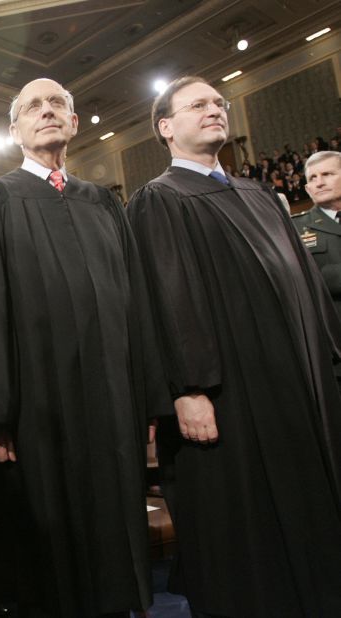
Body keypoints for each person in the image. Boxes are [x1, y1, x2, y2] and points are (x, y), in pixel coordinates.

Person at [126, 76, 341, 617]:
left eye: (220, 103)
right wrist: (188, 388)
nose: (215, 110)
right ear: (166, 128)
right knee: (251, 537)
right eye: (198, 105)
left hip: (299, 384)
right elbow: (167, 300)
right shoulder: (160, 198)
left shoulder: (259, 194)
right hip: (230, 397)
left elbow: (307, 285)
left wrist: (329, 357)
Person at [0, 77, 166, 618]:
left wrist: (146, 394)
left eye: (58, 105)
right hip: (37, 401)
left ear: (75, 124)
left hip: (111, 395)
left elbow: (134, 301)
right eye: (33, 106)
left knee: (115, 531)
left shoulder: (103, 200)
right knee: (48, 553)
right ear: (14, 130)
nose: (47, 112)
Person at [294, 150, 341, 324]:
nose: (319, 183)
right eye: (312, 178)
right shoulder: (294, 229)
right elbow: (300, 282)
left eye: (327, 174)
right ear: (307, 189)